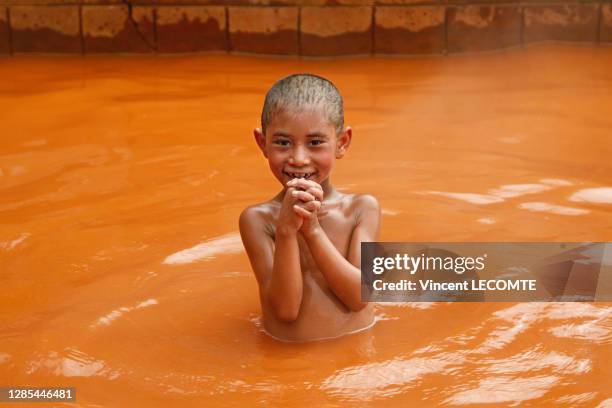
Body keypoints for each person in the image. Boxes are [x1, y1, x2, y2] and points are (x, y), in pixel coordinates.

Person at [239, 74, 381, 342]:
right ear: (262, 143)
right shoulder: (258, 220)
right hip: (286, 365)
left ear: (342, 143)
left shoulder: (361, 210)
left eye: (315, 142)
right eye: (282, 142)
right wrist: (286, 231)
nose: (299, 159)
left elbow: (360, 297)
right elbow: (285, 310)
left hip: (354, 362)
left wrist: (312, 230)